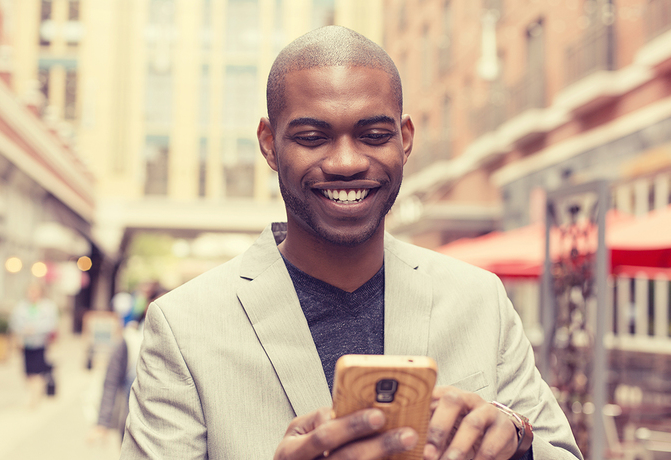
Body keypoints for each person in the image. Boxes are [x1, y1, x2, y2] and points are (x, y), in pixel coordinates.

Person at [120, 26, 583, 460]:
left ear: (404, 140)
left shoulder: (480, 299)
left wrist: (517, 443)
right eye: (312, 137)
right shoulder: (183, 327)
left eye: (374, 136)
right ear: (269, 144)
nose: (345, 162)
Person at [90, 283, 168, 443]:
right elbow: (111, 381)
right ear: (148, 306)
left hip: (166, 429)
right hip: (130, 424)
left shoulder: (182, 344)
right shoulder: (131, 339)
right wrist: (102, 423)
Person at [9, 282, 58, 408]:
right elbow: (14, 322)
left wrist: (34, 329)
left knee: (38, 371)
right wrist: (22, 331)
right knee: (27, 372)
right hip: (25, 344)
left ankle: (35, 397)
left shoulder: (47, 307)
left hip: (40, 343)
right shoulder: (21, 307)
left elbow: (51, 324)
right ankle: (32, 393)